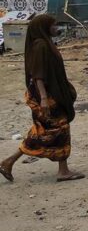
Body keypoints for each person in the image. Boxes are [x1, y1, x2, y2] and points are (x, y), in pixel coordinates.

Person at [0, 15, 83, 183]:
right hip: (47, 97)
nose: (56, 28)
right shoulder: (41, 46)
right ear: (44, 27)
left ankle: (8, 162)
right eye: (53, 25)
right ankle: (63, 170)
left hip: (49, 94)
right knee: (60, 129)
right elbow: (38, 75)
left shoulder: (45, 43)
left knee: (44, 131)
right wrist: (44, 98)